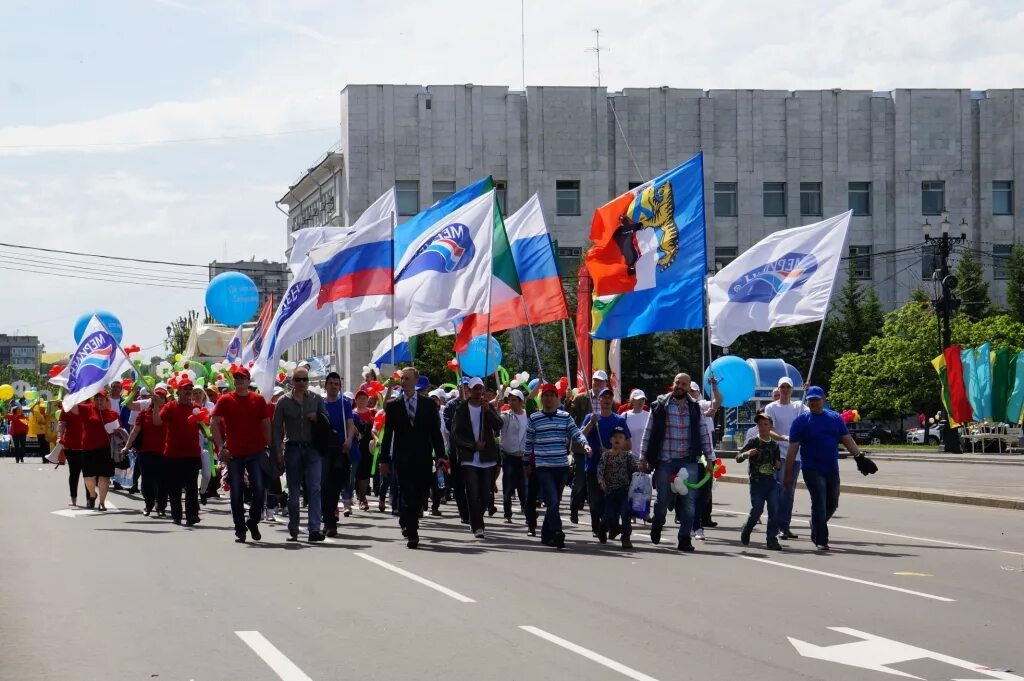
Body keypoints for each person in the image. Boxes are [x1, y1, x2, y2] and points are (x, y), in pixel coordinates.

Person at [783, 385, 867, 551]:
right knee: (819, 502)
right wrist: (788, 474)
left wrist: (859, 457)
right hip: (811, 468)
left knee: (833, 503)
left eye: (816, 399)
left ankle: (816, 522)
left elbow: (847, 439)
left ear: (824, 400)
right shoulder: (801, 422)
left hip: (831, 468)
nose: (813, 403)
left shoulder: (835, 418)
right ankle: (821, 539)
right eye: (811, 400)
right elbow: (792, 451)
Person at [641, 373, 715, 552]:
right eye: (677, 383)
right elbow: (648, 432)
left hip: (688, 460)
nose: (680, 386)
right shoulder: (660, 406)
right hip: (665, 460)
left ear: (689, 387)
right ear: (673, 384)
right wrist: (642, 458)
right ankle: (657, 524)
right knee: (663, 501)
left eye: (684, 384)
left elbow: (704, 433)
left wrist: (710, 459)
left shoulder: (695, 407)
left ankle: (684, 539)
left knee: (689, 502)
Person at [379, 367, 447, 549]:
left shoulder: (428, 405)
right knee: (407, 492)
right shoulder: (394, 405)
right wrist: (383, 460)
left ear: (416, 381)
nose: (404, 382)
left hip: (423, 457)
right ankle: (413, 532)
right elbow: (387, 435)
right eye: (402, 379)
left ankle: (407, 519)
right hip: (402, 458)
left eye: (408, 378)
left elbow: (435, 433)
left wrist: (441, 455)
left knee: (421, 493)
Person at [524, 383, 591, 550]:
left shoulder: (565, 417)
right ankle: (557, 532)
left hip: (561, 466)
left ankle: (546, 535)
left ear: (557, 398)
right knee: (552, 500)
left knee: (555, 502)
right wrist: (526, 462)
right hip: (543, 466)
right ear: (541, 398)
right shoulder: (534, 418)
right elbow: (529, 442)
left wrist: (585, 445)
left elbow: (576, 433)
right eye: (545, 395)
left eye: (551, 395)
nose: (548, 398)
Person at [212, 367, 271, 543]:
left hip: (256, 452)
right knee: (236, 492)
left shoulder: (258, 399)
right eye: (237, 378)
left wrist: (273, 447)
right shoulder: (225, 400)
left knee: (259, 489)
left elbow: (266, 423)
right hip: (234, 455)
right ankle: (240, 529)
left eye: (242, 378)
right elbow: (213, 423)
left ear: (248, 380)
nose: (239, 381)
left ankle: (252, 521)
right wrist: (221, 447)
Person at [272, 367, 331, 542]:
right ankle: (294, 528)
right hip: (293, 448)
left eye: (305, 380)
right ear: (292, 382)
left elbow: (326, 421)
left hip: (313, 449)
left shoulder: (316, 398)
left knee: (314, 488)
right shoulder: (283, 401)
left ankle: (314, 529)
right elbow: (276, 429)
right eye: (298, 380)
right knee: (294, 491)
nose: (302, 383)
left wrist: (317, 418)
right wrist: (277, 451)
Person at [450, 377, 503, 539]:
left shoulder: (487, 407)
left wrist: (488, 411)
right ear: (469, 390)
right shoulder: (462, 409)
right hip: (469, 457)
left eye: (481, 388)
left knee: (486, 494)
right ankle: (478, 525)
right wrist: (472, 445)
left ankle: (476, 518)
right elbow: (455, 433)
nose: (478, 391)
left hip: (486, 457)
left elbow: (499, 425)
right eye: (475, 388)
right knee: (472, 492)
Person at [580, 388, 632, 537]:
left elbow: (628, 445)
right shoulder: (591, 417)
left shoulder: (619, 420)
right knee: (595, 501)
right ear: (599, 400)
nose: (607, 400)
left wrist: (611, 450)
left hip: (613, 469)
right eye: (604, 397)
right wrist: (591, 423)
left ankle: (612, 526)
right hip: (593, 466)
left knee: (611, 502)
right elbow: (579, 437)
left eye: (610, 397)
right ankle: (596, 527)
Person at [764, 377, 808, 540]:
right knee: (777, 491)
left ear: (792, 389)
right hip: (777, 455)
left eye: (788, 387)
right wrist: (782, 438)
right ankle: (774, 525)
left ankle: (785, 526)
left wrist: (807, 391)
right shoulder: (771, 408)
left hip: (794, 456)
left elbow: (810, 417)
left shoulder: (799, 406)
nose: (785, 390)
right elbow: (768, 430)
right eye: (782, 387)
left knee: (788, 492)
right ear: (778, 389)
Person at [155, 380, 202, 526]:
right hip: (173, 454)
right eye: (185, 388)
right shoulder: (170, 407)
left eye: (190, 388)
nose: (188, 391)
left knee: (192, 486)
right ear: (178, 391)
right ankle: (176, 515)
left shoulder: (197, 408)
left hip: (192, 454)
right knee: (174, 487)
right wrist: (157, 406)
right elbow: (157, 423)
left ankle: (192, 515)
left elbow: (205, 427)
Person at [567, 370, 612, 524]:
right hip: (582, 446)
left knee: (599, 482)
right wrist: (568, 401)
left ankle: (600, 516)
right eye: (595, 381)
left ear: (606, 383)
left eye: (600, 381)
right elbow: (569, 414)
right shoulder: (581, 398)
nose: (597, 384)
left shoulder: (608, 400)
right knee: (579, 480)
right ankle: (574, 508)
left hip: (601, 448)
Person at [737, 412, 783, 551]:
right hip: (757, 481)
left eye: (765, 424)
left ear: (770, 427)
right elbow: (738, 457)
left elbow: (778, 464)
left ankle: (771, 539)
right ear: (757, 427)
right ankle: (747, 528)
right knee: (757, 509)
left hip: (771, 481)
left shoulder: (775, 445)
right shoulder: (753, 442)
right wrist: (746, 454)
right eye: (760, 425)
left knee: (774, 510)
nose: (762, 427)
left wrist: (778, 465)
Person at [123, 385, 169, 517]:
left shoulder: (168, 412)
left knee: (162, 481)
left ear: (165, 400)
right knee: (147, 480)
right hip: (146, 451)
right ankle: (148, 504)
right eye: (156, 396)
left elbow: (159, 423)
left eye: (161, 397)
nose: (158, 399)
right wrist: (127, 446)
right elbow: (135, 430)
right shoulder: (144, 413)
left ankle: (161, 506)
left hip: (164, 452)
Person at [320, 372, 356, 538]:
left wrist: (349, 440)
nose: (333, 386)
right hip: (324, 449)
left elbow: (350, 424)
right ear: (326, 385)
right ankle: (328, 522)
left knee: (335, 486)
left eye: (336, 384)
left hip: (341, 449)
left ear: (339, 387)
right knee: (324, 486)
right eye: (331, 383)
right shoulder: (320, 403)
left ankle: (330, 520)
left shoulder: (344, 404)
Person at [74, 393, 121, 511]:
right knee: (88, 477)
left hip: (105, 449)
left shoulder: (113, 414)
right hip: (88, 447)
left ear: (107, 401)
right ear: (93, 400)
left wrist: (116, 431)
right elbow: (71, 407)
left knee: (104, 477)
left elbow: (120, 429)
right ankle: (92, 495)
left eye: (102, 399)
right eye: (97, 399)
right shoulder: (86, 409)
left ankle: (102, 502)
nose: (99, 401)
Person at [597, 425, 642, 549]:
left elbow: (635, 468)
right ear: (611, 440)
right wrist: (601, 482)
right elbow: (600, 470)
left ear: (624, 441)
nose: (617, 439)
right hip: (609, 490)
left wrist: (641, 468)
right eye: (615, 437)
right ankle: (602, 529)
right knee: (610, 515)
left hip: (624, 490)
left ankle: (626, 538)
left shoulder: (627, 456)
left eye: (621, 437)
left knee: (625, 514)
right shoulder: (606, 455)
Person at [688, 378, 722, 540]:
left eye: (694, 391)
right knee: (691, 492)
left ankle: (697, 524)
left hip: (708, 456)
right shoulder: (685, 407)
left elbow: (718, 401)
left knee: (705, 493)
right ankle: (693, 525)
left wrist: (714, 385)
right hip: (691, 455)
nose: (691, 394)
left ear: (699, 393)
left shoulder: (703, 405)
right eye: (689, 391)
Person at [499, 388, 530, 523]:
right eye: (509, 400)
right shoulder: (505, 415)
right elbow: (496, 422)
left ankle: (527, 512)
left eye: (514, 400)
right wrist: (497, 406)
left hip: (522, 456)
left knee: (523, 486)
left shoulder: (528, 417)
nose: (511, 403)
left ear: (521, 402)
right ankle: (507, 513)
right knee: (507, 485)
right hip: (508, 455)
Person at [352, 389, 376, 512]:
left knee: (365, 473)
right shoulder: (351, 413)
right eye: (359, 398)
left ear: (368, 400)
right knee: (354, 473)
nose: (361, 400)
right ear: (355, 400)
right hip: (354, 446)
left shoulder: (372, 413)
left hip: (368, 447)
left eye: (364, 398)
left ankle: (363, 497)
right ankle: (356, 495)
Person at [621, 389, 650, 459]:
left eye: (643, 399)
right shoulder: (624, 416)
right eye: (638, 399)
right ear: (632, 400)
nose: (641, 402)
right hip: (627, 457)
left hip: (644, 458)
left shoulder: (649, 416)